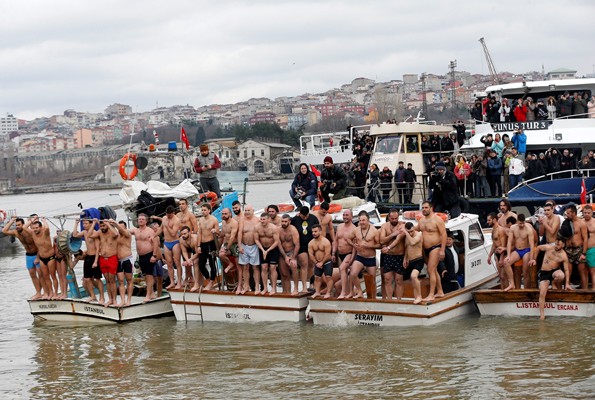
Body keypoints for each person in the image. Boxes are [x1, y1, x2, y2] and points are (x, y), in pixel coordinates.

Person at [529, 239, 572, 320]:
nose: (556, 246)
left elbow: (566, 270)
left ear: (563, 245)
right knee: (542, 293)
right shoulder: (549, 247)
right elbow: (538, 248)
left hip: (554, 271)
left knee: (561, 275)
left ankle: (553, 282)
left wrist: (567, 284)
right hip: (544, 273)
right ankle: (542, 315)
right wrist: (534, 259)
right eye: (556, 244)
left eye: (558, 244)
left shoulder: (563, 256)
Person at [3, 216, 43, 300]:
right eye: (16, 225)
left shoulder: (30, 232)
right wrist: (12, 221)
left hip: (37, 254)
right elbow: (4, 231)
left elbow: (39, 245)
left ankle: (45, 292)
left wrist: (38, 258)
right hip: (28, 255)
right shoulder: (15, 232)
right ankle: (38, 293)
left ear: (23, 225)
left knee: (40, 274)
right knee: (32, 274)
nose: (17, 227)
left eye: (19, 225)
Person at [416, 202, 446, 301]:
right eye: (423, 208)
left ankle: (431, 294)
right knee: (434, 270)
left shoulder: (437, 220)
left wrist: (442, 250)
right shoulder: (421, 220)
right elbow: (416, 229)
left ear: (431, 208)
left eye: (426, 207)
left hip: (435, 247)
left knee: (430, 270)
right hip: (425, 249)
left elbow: (444, 235)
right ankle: (440, 291)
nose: (424, 209)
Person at [72, 217, 104, 303]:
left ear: (90, 224)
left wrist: (96, 261)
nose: (84, 225)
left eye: (86, 223)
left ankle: (102, 297)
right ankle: (93, 296)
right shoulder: (84, 232)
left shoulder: (95, 234)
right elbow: (75, 235)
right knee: (86, 279)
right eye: (83, 224)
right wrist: (76, 223)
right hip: (88, 257)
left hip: (95, 257)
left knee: (97, 278)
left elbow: (98, 249)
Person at [349, 210, 379, 299]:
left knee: (372, 280)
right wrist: (354, 245)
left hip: (370, 258)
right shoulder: (356, 230)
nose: (361, 222)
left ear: (368, 220)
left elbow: (379, 245)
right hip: (360, 257)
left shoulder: (374, 231)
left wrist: (370, 245)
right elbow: (348, 239)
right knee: (353, 273)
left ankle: (373, 297)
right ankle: (359, 292)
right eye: (360, 220)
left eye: (363, 220)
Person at [152, 206, 183, 289]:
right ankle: (172, 282)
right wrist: (154, 236)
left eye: (170, 215)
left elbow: (173, 233)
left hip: (175, 242)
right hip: (166, 242)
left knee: (177, 262)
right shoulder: (164, 218)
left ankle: (179, 282)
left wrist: (167, 226)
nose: (168, 216)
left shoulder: (176, 220)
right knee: (169, 263)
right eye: (167, 214)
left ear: (173, 213)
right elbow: (161, 229)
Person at [290, 206, 319, 293]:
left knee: (311, 265)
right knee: (304, 265)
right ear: (300, 214)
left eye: (306, 216)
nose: (305, 218)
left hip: (311, 245)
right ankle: (304, 287)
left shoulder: (313, 218)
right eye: (303, 217)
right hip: (301, 245)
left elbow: (318, 231)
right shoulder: (295, 219)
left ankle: (311, 283)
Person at [379, 209, 406, 300]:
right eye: (392, 218)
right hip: (388, 256)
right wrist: (392, 234)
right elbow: (382, 240)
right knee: (387, 279)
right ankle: (389, 300)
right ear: (389, 217)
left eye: (396, 218)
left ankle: (398, 300)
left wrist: (388, 247)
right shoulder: (384, 226)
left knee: (399, 280)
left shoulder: (402, 225)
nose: (394, 220)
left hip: (399, 255)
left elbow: (398, 240)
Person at [92, 220, 120, 306]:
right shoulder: (99, 233)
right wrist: (94, 223)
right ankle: (110, 299)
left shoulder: (112, 232)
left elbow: (116, 234)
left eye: (104, 226)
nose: (102, 228)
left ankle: (114, 300)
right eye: (101, 226)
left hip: (112, 258)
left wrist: (108, 223)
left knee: (112, 280)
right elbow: (90, 235)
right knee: (107, 280)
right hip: (103, 259)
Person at [130, 214, 157, 302]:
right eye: (139, 219)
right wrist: (114, 224)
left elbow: (155, 243)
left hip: (149, 254)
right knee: (145, 275)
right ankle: (152, 293)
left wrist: (154, 255)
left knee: (149, 275)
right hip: (140, 256)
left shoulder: (150, 231)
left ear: (146, 221)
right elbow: (124, 231)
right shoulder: (136, 231)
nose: (140, 220)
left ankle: (148, 295)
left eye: (142, 219)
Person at [504, 213, 535, 290]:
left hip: (526, 250)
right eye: (520, 223)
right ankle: (512, 284)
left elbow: (531, 245)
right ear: (517, 221)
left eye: (523, 223)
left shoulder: (528, 229)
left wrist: (531, 258)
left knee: (525, 272)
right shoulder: (513, 228)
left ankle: (526, 289)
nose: (522, 225)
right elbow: (509, 242)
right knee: (506, 262)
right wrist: (508, 255)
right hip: (517, 250)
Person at [30, 217, 56, 300]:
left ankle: (55, 293)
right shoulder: (33, 234)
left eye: (37, 228)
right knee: (45, 276)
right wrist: (32, 220)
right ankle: (50, 292)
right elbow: (24, 228)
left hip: (50, 257)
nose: (35, 229)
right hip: (42, 258)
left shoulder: (45, 232)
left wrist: (44, 220)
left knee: (53, 275)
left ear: (41, 227)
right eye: (33, 228)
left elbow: (47, 227)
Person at [254, 212, 280, 295]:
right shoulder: (257, 227)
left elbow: (276, 241)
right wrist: (262, 250)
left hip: (272, 248)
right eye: (261, 219)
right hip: (262, 249)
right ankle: (265, 288)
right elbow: (256, 240)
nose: (262, 221)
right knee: (264, 267)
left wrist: (268, 250)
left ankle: (273, 287)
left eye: (264, 219)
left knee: (272, 268)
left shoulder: (274, 228)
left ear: (268, 220)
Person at [196, 203, 220, 290]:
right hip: (203, 244)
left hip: (211, 243)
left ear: (209, 210)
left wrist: (215, 230)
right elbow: (200, 233)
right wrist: (198, 246)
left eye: (205, 210)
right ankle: (208, 279)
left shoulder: (214, 220)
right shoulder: (200, 220)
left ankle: (212, 281)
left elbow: (218, 233)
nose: (203, 212)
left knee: (212, 263)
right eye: (202, 210)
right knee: (201, 265)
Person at [564, 204, 588, 289]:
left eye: (568, 213)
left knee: (581, 271)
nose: (567, 214)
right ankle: (566, 290)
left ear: (573, 213)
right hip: (568, 249)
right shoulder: (566, 222)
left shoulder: (581, 223)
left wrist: (584, 253)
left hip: (578, 249)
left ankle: (585, 291)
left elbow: (585, 239)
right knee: (568, 271)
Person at [334, 209, 356, 299]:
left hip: (349, 253)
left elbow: (355, 245)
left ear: (351, 216)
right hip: (340, 254)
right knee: (343, 273)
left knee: (342, 268)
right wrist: (333, 253)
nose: (345, 217)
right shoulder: (339, 226)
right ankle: (348, 292)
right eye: (344, 215)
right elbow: (336, 240)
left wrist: (352, 258)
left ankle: (343, 292)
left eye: (347, 215)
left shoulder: (354, 229)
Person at [237, 205, 259, 294]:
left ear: (253, 211)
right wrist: (239, 246)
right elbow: (240, 233)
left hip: (254, 246)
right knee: (245, 267)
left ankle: (257, 286)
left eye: (248, 210)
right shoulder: (242, 220)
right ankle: (246, 286)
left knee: (255, 267)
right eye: (245, 210)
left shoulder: (257, 220)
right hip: (244, 245)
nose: (246, 212)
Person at [308, 224, 333, 298]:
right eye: (312, 232)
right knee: (317, 278)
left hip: (326, 262)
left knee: (328, 277)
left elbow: (328, 254)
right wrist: (316, 263)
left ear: (320, 231)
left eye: (315, 231)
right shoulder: (311, 243)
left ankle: (328, 293)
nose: (313, 233)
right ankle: (317, 292)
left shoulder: (326, 242)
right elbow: (311, 254)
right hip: (317, 262)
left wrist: (322, 262)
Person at [487, 212, 510, 290]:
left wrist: (501, 258)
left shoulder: (501, 230)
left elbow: (503, 246)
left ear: (494, 220)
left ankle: (507, 292)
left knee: (504, 276)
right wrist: (489, 255)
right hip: (497, 254)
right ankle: (503, 291)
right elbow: (494, 244)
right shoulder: (493, 230)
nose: (487, 222)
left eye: (489, 220)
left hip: (503, 254)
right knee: (500, 276)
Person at [278, 214, 300, 294]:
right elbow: (279, 244)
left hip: (292, 252)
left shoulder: (293, 230)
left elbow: (297, 244)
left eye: (285, 221)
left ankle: (296, 289)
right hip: (282, 253)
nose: (283, 223)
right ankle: (287, 292)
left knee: (294, 268)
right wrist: (285, 256)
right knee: (284, 274)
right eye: (282, 221)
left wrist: (293, 257)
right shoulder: (278, 230)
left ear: (289, 221)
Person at [403, 222, 424, 304]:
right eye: (408, 232)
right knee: (412, 280)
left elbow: (412, 242)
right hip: (411, 261)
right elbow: (407, 247)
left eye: (411, 231)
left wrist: (405, 232)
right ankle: (416, 298)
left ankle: (419, 296)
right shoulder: (407, 236)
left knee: (413, 276)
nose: (410, 233)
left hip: (418, 260)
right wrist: (405, 258)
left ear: (414, 229)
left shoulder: (418, 235)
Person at [115, 221, 134, 306]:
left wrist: (115, 224)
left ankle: (128, 300)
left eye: (122, 227)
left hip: (127, 259)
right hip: (119, 261)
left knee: (129, 280)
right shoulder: (116, 236)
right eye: (119, 227)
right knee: (121, 281)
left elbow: (122, 230)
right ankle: (122, 300)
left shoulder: (127, 234)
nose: (120, 229)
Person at [218, 208, 239, 280]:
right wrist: (216, 233)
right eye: (222, 214)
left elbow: (232, 237)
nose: (223, 215)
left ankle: (240, 282)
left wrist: (227, 248)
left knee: (238, 265)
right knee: (221, 254)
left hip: (234, 244)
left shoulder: (234, 223)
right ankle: (230, 264)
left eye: (225, 214)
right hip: (227, 244)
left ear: (230, 214)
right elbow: (223, 234)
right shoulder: (223, 222)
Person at [179, 226, 199, 290]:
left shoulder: (195, 239)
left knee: (195, 262)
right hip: (189, 248)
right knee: (186, 263)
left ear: (189, 233)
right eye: (182, 234)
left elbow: (197, 253)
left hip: (199, 250)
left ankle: (196, 283)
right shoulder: (181, 239)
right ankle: (188, 278)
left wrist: (190, 259)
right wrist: (188, 260)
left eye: (185, 234)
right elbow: (184, 252)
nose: (183, 236)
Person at [150, 221, 165, 297]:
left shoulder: (158, 237)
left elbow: (158, 248)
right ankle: (152, 293)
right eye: (157, 227)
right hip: (153, 260)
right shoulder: (150, 237)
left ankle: (159, 294)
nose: (159, 229)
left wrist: (162, 258)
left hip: (159, 260)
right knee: (153, 279)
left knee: (160, 278)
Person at [583, 205, 595, 289]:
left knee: (593, 270)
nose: (586, 214)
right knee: (584, 271)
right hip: (582, 250)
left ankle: (594, 289)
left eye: (588, 213)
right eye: (585, 213)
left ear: (592, 213)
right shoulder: (580, 222)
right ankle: (585, 289)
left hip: (592, 249)